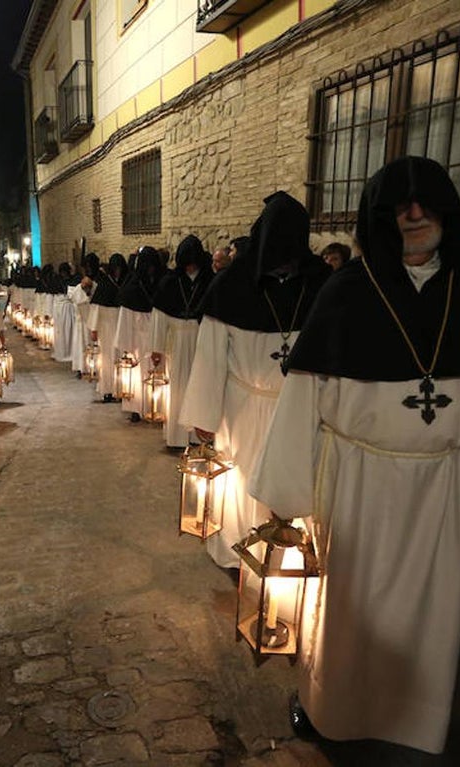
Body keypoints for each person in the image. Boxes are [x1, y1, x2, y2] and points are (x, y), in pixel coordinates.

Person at [249, 157, 460, 754]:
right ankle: (332, 709)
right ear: (378, 218)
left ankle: (415, 719)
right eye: (400, 207)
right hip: (357, 483)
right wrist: (288, 498)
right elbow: (303, 400)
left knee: (431, 614)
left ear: (448, 213)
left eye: (426, 203)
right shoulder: (346, 292)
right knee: (348, 608)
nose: (416, 215)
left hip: (443, 487)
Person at [181, 192, 331, 569]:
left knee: (297, 480)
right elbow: (211, 358)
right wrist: (205, 415)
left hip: (301, 409)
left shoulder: (322, 284)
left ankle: (290, 562)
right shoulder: (231, 286)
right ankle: (238, 551)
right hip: (243, 407)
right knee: (242, 481)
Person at [149, 235, 213, 448]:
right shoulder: (170, 281)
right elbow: (159, 316)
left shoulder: (209, 280)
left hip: (202, 338)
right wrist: (156, 348)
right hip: (176, 341)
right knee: (177, 387)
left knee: (200, 384)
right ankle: (177, 436)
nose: (192, 266)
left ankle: (197, 436)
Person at [114, 247, 163, 422]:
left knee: (157, 373)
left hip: (157, 336)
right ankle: (136, 408)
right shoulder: (132, 287)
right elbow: (126, 316)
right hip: (138, 339)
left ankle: (156, 408)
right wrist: (126, 345)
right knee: (137, 373)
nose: (151, 269)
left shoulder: (161, 282)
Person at [88, 254, 128, 402]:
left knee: (121, 357)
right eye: (115, 269)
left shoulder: (126, 282)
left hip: (122, 323)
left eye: (120, 268)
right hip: (107, 327)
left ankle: (122, 389)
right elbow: (96, 308)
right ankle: (108, 390)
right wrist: (94, 329)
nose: (117, 272)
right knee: (107, 359)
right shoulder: (104, 284)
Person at [51, 262, 78, 364]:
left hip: (66, 308)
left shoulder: (73, 280)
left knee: (68, 330)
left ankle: (68, 351)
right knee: (60, 331)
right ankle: (62, 352)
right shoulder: (58, 280)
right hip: (61, 308)